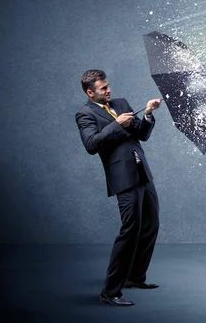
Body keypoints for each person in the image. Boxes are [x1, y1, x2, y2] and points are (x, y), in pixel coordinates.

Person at [75, 69, 162, 307]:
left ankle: (134, 278)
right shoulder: (85, 113)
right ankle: (110, 292)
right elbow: (92, 144)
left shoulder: (121, 103)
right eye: (103, 88)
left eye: (108, 85)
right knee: (130, 231)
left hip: (142, 172)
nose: (109, 90)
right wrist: (116, 123)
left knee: (151, 225)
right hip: (123, 177)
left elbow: (141, 135)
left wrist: (148, 114)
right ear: (90, 92)